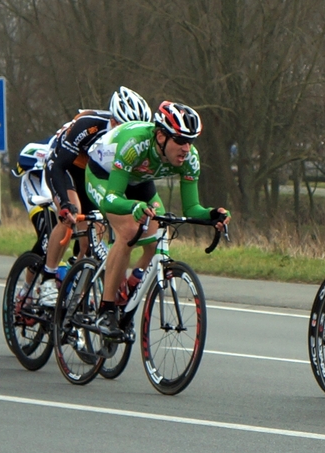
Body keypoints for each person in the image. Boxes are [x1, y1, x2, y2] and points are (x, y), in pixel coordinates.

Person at [85, 101, 231, 337]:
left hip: (139, 179)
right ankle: (106, 309)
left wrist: (212, 214)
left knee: (157, 236)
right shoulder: (135, 144)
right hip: (104, 175)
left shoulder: (190, 159)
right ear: (161, 136)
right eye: (181, 140)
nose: (187, 148)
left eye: (191, 141)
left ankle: (130, 289)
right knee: (130, 231)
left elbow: (192, 208)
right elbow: (111, 199)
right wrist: (133, 206)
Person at [37, 86, 152, 307]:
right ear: (114, 122)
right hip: (66, 166)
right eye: (125, 127)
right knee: (73, 213)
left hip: (95, 174)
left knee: (93, 236)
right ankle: (48, 279)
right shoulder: (88, 125)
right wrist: (65, 204)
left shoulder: (135, 144)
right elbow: (60, 166)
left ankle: (78, 286)